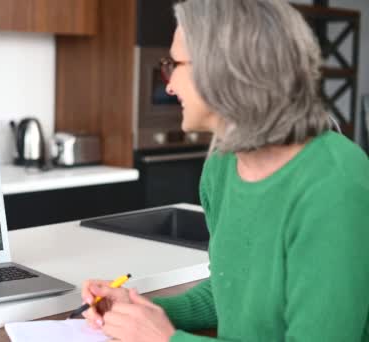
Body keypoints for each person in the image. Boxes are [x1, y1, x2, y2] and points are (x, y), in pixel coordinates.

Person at [81, 1, 369, 341]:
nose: (169, 85)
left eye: (175, 64)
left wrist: (162, 339)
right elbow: (231, 289)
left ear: (225, 70)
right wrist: (141, 312)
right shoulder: (221, 166)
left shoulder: (335, 182)